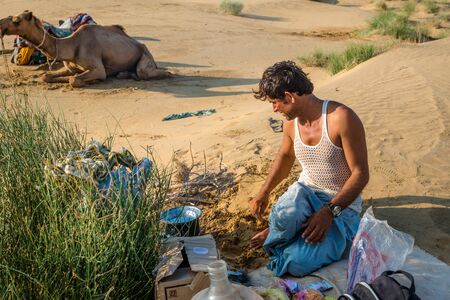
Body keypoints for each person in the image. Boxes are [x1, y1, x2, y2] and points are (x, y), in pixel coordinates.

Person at [249, 61, 369, 277]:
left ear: (290, 97)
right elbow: (285, 157)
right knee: (285, 213)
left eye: (276, 102)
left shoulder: (341, 118)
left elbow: (360, 174)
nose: (274, 109)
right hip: (305, 194)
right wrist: (264, 193)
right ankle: (283, 230)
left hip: (342, 207)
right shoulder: (291, 123)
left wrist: (329, 212)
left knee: (296, 264)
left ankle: (285, 234)